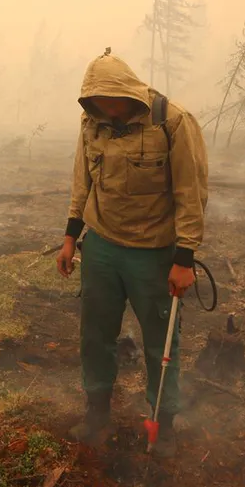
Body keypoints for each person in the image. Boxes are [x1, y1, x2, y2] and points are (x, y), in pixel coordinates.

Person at [56, 48, 209, 457]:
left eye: (107, 99)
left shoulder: (172, 122)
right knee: (95, 333)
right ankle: (97, 411)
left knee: (161, 343)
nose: (103, 108)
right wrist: (71, 237)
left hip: (154, 253)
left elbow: (191, 194)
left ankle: (164, 422)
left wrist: (184, 258)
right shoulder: (93, 123)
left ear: (126, 91)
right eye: (95, 101)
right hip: (102, 246)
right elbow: (81, 180)